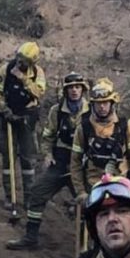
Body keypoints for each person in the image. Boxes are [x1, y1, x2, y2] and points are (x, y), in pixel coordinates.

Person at [7, 70, 88, 248]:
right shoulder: (57, 111)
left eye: (77, 87)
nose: (74, 91)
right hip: (59, 162)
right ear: (65, 91)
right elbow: (48, 136)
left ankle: (88, 247)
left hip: (81, 167)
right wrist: (48, 154)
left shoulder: (91, 112)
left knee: (88, 204)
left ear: (83, 90)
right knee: (37, 193)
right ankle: (30, 238)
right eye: (71, 88)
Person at [0, 42, 47, 210]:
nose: (20, 63)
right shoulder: (5, 70)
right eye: (19, 58)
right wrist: (4, 110)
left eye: (24, 61)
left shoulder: (38, 73)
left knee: (28, 160)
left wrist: (23, 79)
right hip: (7, 118)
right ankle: (10, 197)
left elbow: (39, 92)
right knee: (8, 159)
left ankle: (29, 197)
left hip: (26, 119)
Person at [70, 78, 130, 198]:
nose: (102, 107)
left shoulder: (125, 126)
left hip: (121, 184)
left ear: (112, 104)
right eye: (98, 103)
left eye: (105, 103)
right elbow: (75, 162)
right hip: (93, 186)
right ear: (93, 104)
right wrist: (80, 192)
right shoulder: (84, 128)